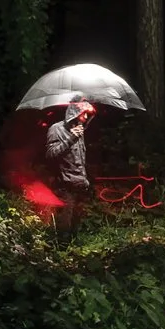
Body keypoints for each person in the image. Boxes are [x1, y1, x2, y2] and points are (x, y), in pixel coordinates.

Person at [44, 98, 96, 230]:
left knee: (75, 225)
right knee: (63, 226)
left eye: (87, 114)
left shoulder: (79, 130)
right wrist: (70, 139)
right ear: (74, 112)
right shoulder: (57, 129)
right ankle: (58, 248)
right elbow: (50, 154)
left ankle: (72, 249)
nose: (85, 116)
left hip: (80, 186)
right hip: (64, 187)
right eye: (83, 113)